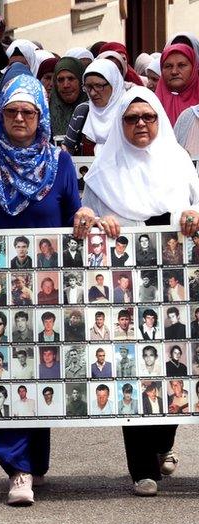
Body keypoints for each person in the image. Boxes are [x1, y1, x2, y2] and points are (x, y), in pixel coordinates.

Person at [0, 72, 94, 506]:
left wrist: (85, 218)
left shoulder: (60, 162)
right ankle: (17, 468)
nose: (19, 118)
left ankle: (34, 461)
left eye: (29, 112)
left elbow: (74, 212)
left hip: (48, 292)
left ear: (40, 116)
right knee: (9, 369)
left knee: (42, 373)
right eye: (11, 111)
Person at [81, 86, 199, 496]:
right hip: (122, 287)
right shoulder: (102, 171)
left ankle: (164, 443)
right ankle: (140, 468)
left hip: (175, 284)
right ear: (120, 124)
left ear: (160, 121)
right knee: (133, 368)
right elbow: (86, 221)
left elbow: (197, 206)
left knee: (172, 363)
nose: (141, 126)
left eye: (149, 118)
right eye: (131, 120)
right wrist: (98, 221)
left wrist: (191, 217)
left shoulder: (179, 162)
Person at [62, 59, 121, 155]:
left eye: (98, 86)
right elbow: (67, 149)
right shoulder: (83, 111)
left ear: (114, 84)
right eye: (88, 87)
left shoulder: (127, 112)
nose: (92, 93)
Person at [156, 43, 199, 125]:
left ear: (193, 68)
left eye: (181, 65)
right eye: (168, 66)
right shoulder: (152, 104)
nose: (174, 72)